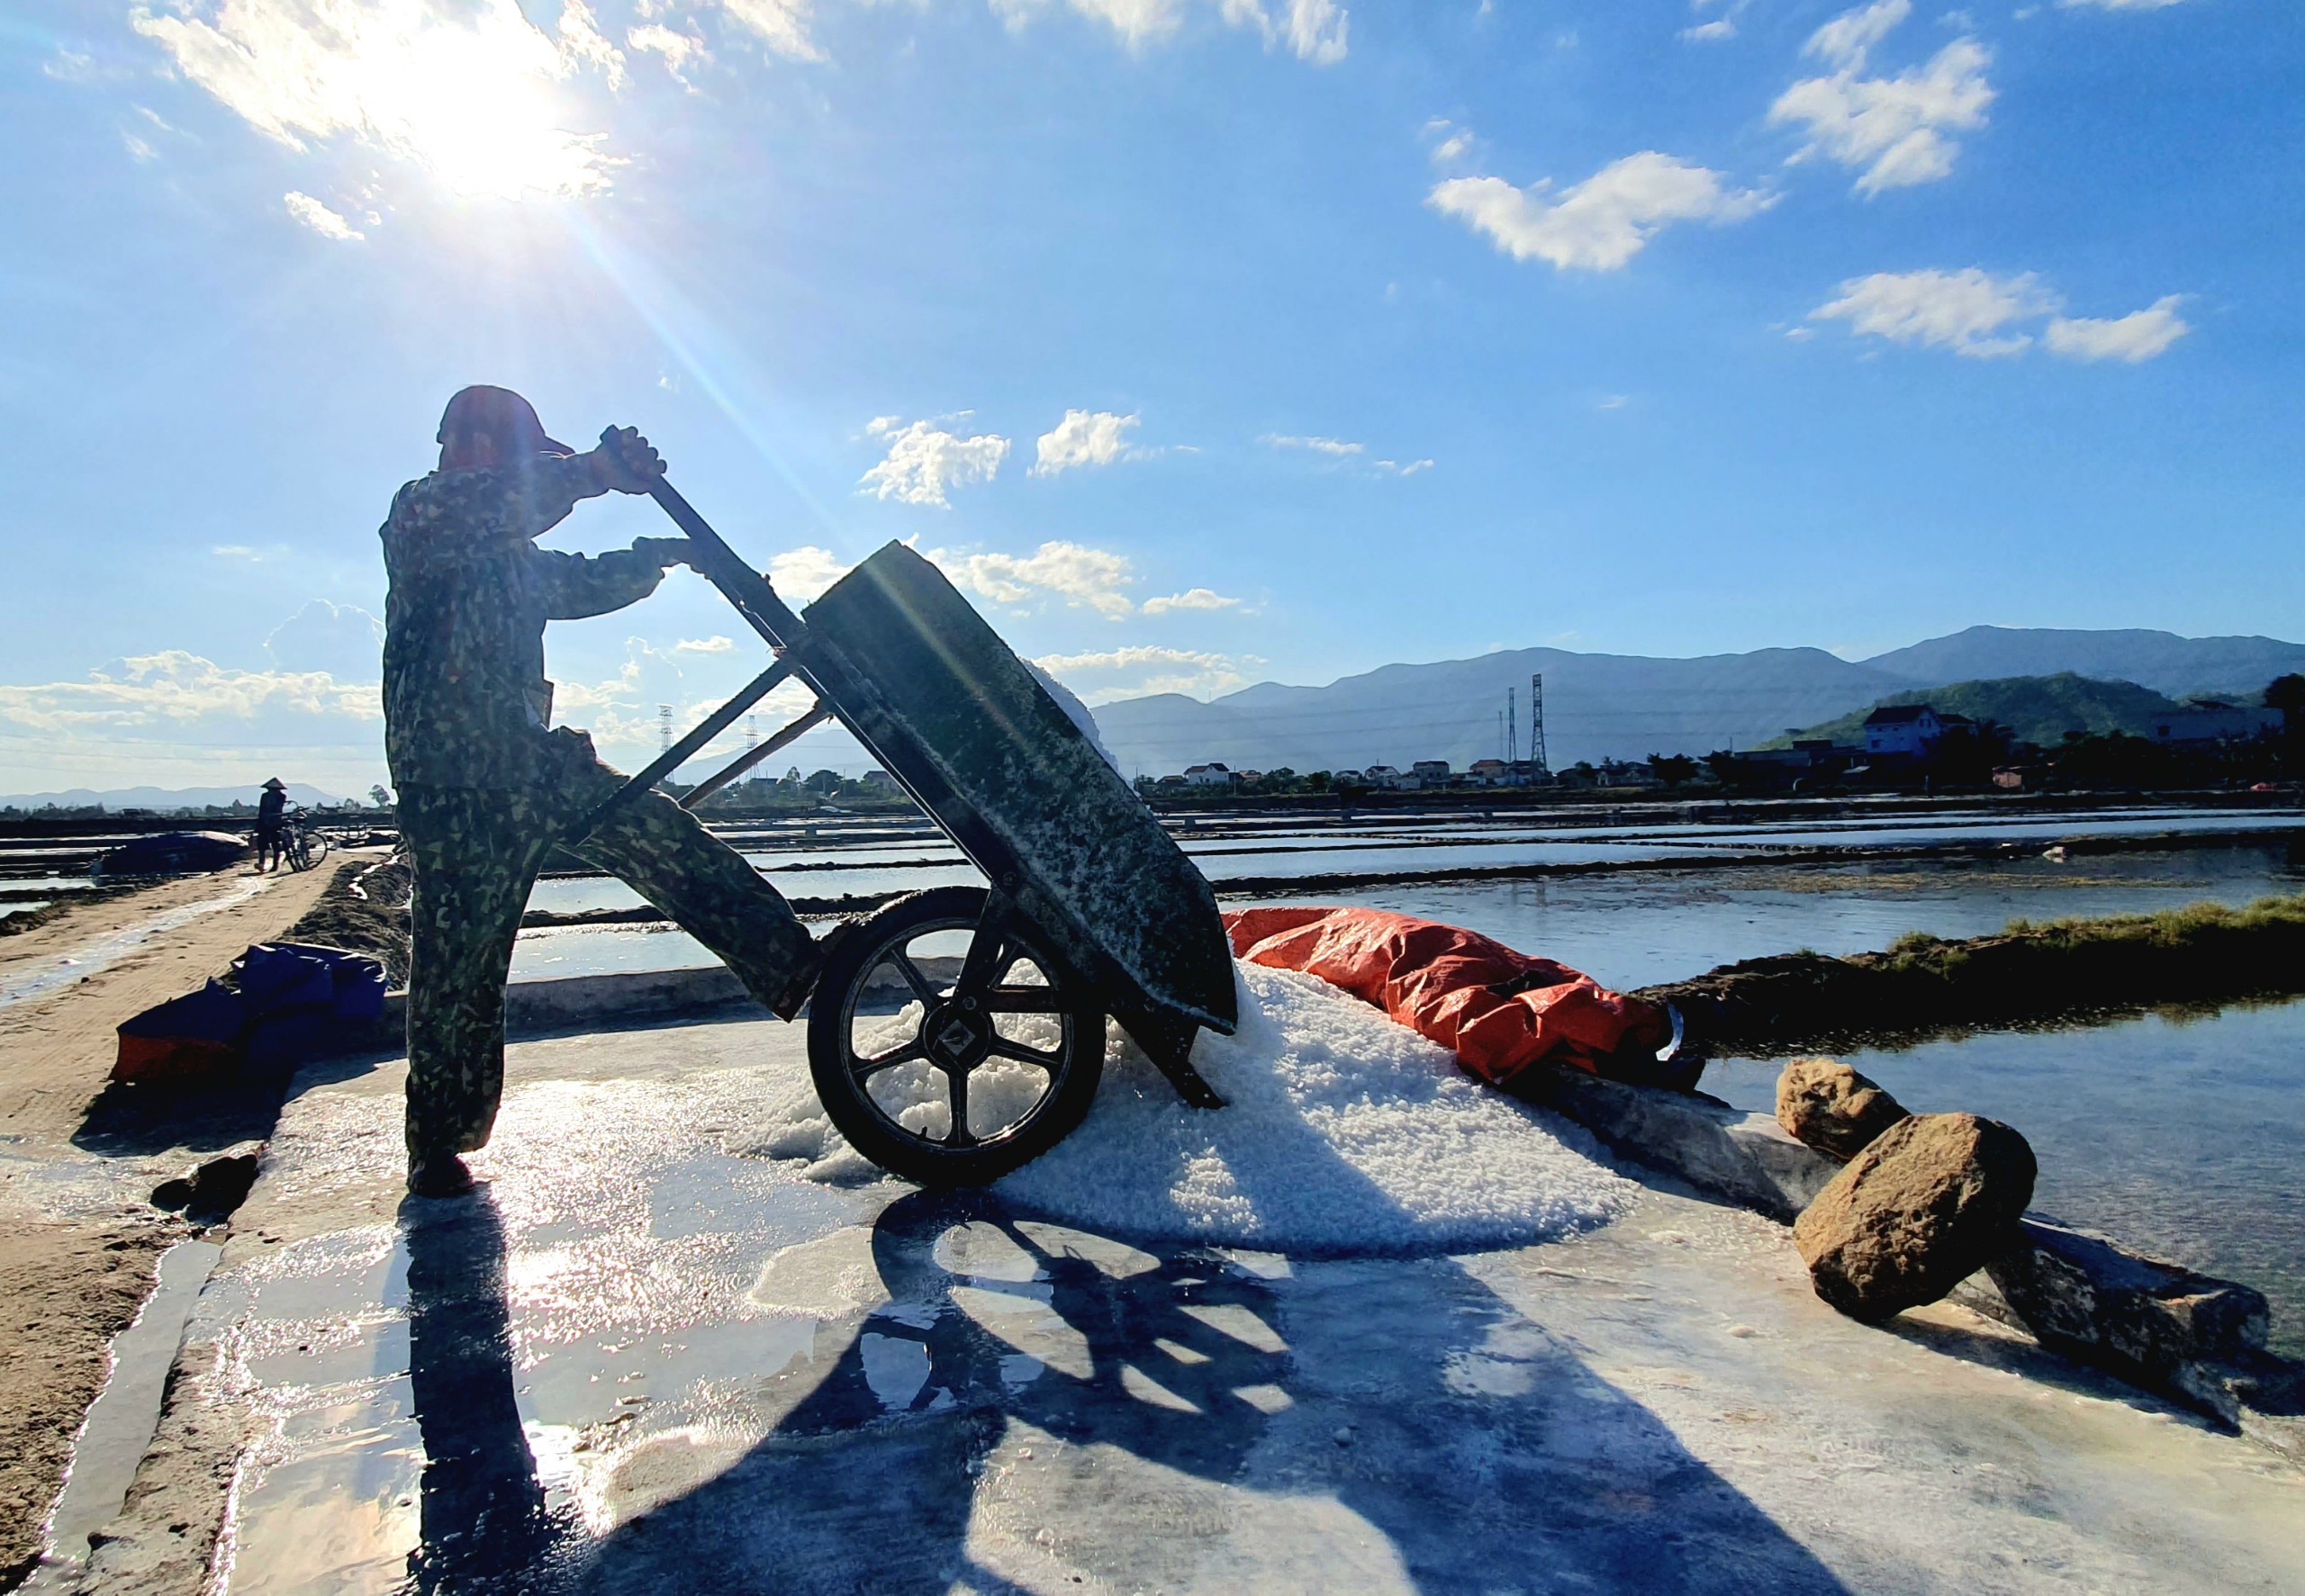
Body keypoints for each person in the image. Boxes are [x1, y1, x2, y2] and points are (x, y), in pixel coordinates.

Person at [382, 385, 827, 1198]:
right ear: (465, 444)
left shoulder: (509, 555)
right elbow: (505, 501)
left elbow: (576, 583)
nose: (491, 461)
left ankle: (804, 970)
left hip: (526, 760)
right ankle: (438, 1144)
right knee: (459, 962)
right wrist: (592, 470)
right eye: (501, 450)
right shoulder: (422, 515)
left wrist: (660, 555)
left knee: (655, 834)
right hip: (452, 782)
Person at [254, 777, 288, 872]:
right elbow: (262, 810)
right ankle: (263, 864)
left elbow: (263, 810)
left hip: (271, 822)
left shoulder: (277, 796)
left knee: (272, 845)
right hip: (270, 822)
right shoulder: (279, 796)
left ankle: (272, 865)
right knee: (265, 845)